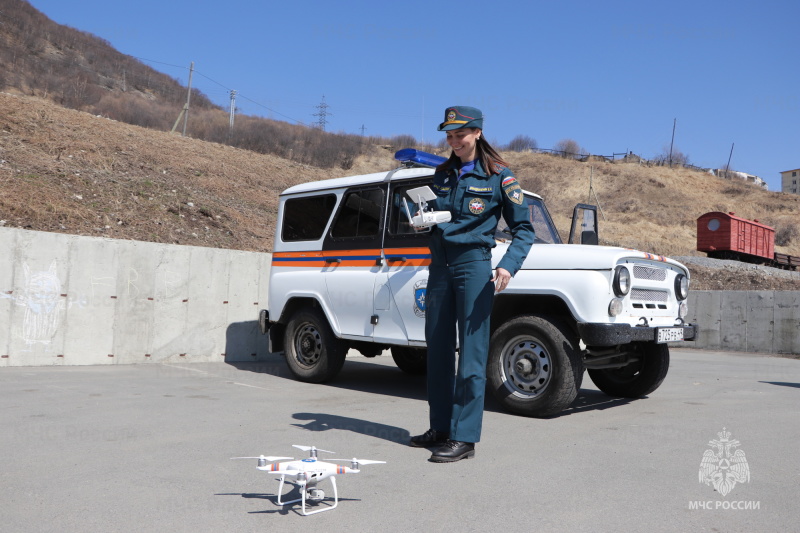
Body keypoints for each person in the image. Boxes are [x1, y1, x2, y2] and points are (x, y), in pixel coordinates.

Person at [409, 106, 535, 462]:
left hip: (473, 267)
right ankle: (440, 427)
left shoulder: (499, 177)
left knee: (472, 355)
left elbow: (524, 230)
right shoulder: (442, 174)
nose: (454, 141)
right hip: (439, 267)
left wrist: (508, 266)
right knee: (437, 350)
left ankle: (464, 438)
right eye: (449, 136)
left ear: (477, 133)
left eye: (460, 135)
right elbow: (435, 218)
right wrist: (421, 221)